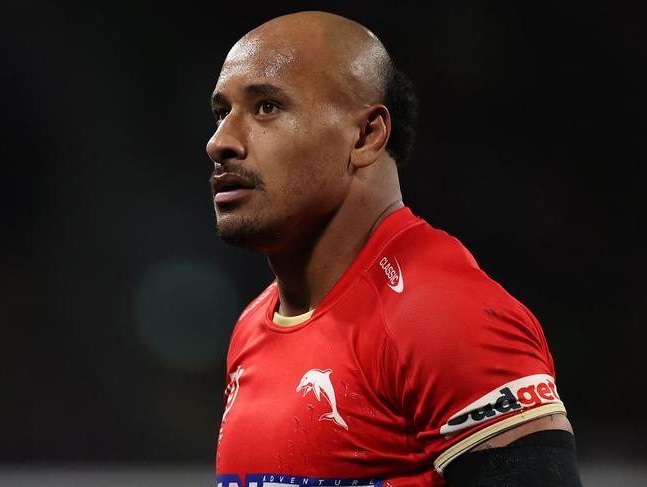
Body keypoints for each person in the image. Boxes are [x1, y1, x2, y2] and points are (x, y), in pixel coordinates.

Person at [206, 10, 582, 487]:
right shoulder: (252, 327)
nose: (219, 143)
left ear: (367, 135)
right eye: (222, 113)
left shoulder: (443, 314)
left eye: (266, 107)